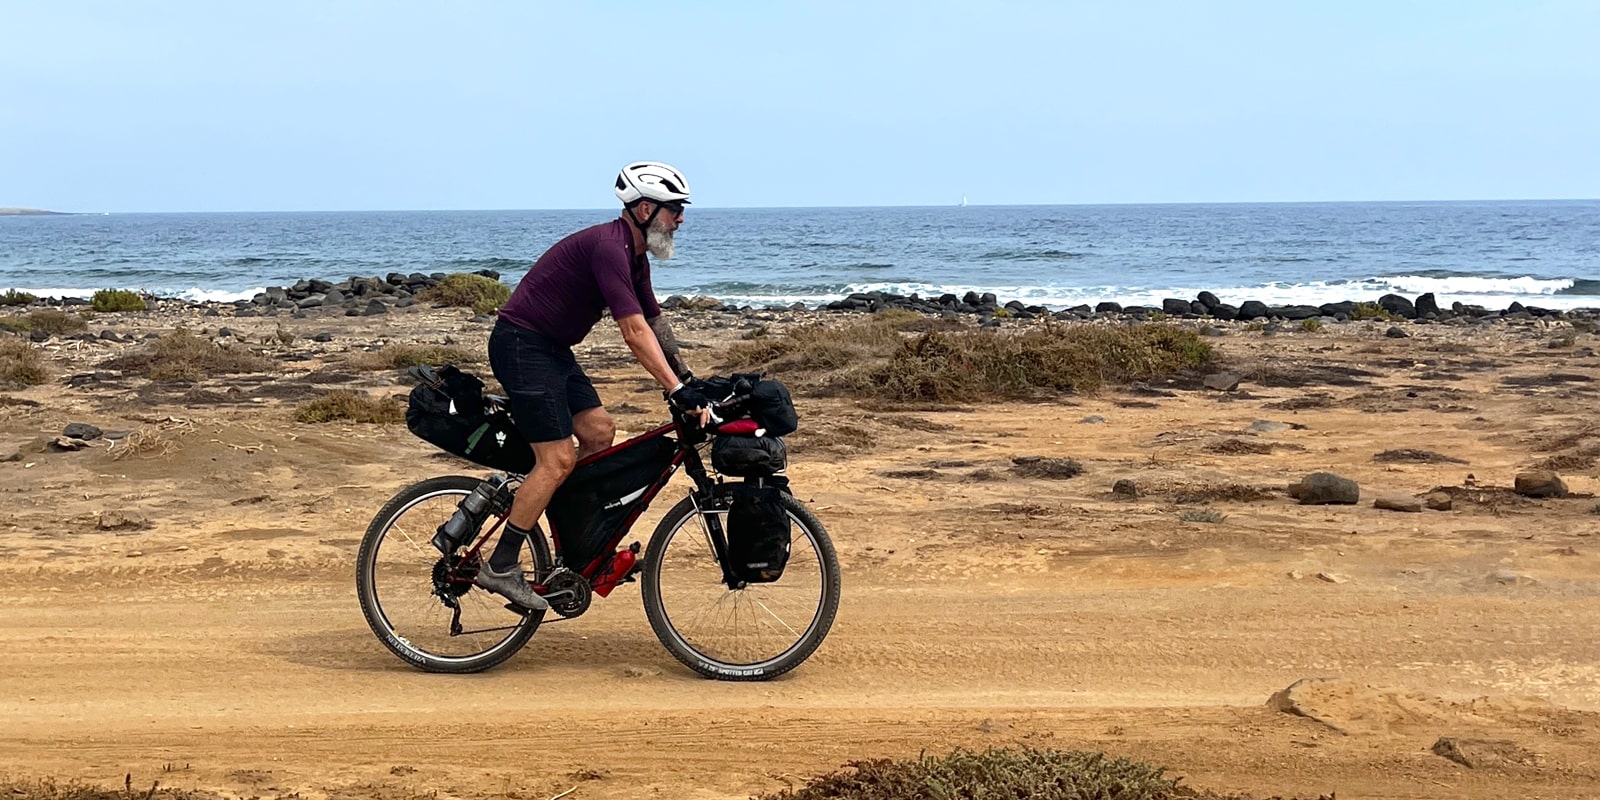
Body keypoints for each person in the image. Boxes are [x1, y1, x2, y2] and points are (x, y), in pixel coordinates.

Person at [474, 162, 711, 611]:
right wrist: (675, 391)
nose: (680, 219)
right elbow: (633, 331)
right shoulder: (609, 247)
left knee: (599, 433)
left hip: (550, 349)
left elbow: (654, 321)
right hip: (522, 345)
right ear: (644, 208)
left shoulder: (634, 254)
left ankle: (568, 543)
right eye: (674, 209)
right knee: (558, 458)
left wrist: (686, 378)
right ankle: (502, 564)